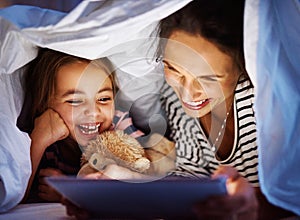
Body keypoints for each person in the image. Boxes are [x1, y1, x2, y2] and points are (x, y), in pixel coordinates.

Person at [157, 0, 296, 219]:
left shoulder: (265, 108)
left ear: (242, 66)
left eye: (210, 78)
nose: (188, 94)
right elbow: (186, 177)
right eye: (174, 70)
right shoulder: (172, 102)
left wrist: (255, 205)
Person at [17, 48, 144, 203]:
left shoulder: (118, 126)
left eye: (104, 99)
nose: (93, 112)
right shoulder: (43, 138)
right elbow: (14, 195)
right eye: (75, 101)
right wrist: (39, 140)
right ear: (45, 104)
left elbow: (149, 177)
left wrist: (69, 192)